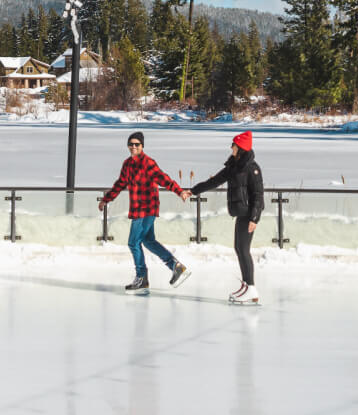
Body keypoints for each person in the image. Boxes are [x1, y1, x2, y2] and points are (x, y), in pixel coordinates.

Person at [99, 131, 191, 293]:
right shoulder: (127, 164)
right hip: (137, 209)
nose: (134, 147)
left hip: (147, 208)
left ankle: (141, 277)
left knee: (133, 242)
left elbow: (164, 178)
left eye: (137, 144)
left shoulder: (148, 163)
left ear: (142, 146)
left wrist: (179, 191)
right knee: (148, 241)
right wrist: (107, 199)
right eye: (131, 144)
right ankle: (176, 267)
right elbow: (120, 183)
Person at [185, 130, 264, 304]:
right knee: (239, 248)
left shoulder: (252, 168)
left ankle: (251, 288)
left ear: (241, 148)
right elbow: (213, 181)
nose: (231, 148)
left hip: (248, 215)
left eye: (233, 145)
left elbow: (258, 195)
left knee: (243, 250)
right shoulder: (234, 167)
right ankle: (247, 285)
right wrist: (193, 190)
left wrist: (254, 218)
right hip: (240, 213)